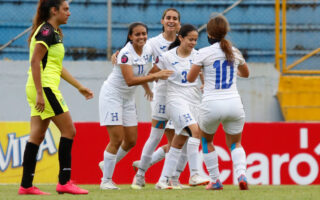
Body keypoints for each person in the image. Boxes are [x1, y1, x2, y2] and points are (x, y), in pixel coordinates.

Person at [19, 0, 93, 195]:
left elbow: (56, 67)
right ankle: (64, 181)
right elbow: (35, 61)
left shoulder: (54, 33)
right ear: (54, 10)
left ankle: (26, 185)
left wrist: (79, 87)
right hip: (44, 88)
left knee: (37, 135)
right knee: (69, 131)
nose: (69, 13)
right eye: (65, 9)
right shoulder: (47, 31)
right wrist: (41, 93)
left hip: (39, 87)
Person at [131, 9, 209, 190]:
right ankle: (140, 174)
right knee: (156, 136)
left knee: (179, 139)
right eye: (168, 18)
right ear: (162, 21)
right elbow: (138, 53)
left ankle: (171, 178)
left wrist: (204, 85)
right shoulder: (154, 43)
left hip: (185, 97)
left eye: (175, 18)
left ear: (179, 25)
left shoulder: (193, 51)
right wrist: (120, 54)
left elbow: (199, 72)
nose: (171, 21)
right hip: (162, 97)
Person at [99, 22, 173, 190]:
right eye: (137, 34)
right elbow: (130, 80)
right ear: (130, 37)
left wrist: (151, 83)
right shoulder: (125, 54)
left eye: (144, 34)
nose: (141, 37)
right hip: (112, 96)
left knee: (131, 140)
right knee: (116, 138)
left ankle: (107, 164)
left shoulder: (147, 50)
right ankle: (106, 181)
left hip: (128, 98)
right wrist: (158, 75)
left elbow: (148, 69)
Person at [187, 15, 250, 190]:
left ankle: (215, 180)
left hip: (211, 104)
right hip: (234, 104)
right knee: (235, 143)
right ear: (225, 32)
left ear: (209, 33)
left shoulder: (203, 53)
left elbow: (190, 78)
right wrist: (233, 74)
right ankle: (241, 174)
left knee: (207, 141)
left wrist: (204, 76)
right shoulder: (234, 51)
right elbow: (246, 73)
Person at [150, 24, 206, 189]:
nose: (193, 43)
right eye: (190, 39)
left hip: (194, 101)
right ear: (180, 38)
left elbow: (202, 74)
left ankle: (163, 180)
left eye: (195, 40)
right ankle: (195, 174)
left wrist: (204, 85)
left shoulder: (198, 56)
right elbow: (151, 74)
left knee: (179, 142)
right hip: (176, 100)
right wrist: (158, 75)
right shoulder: (167, 57)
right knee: (195, 131)